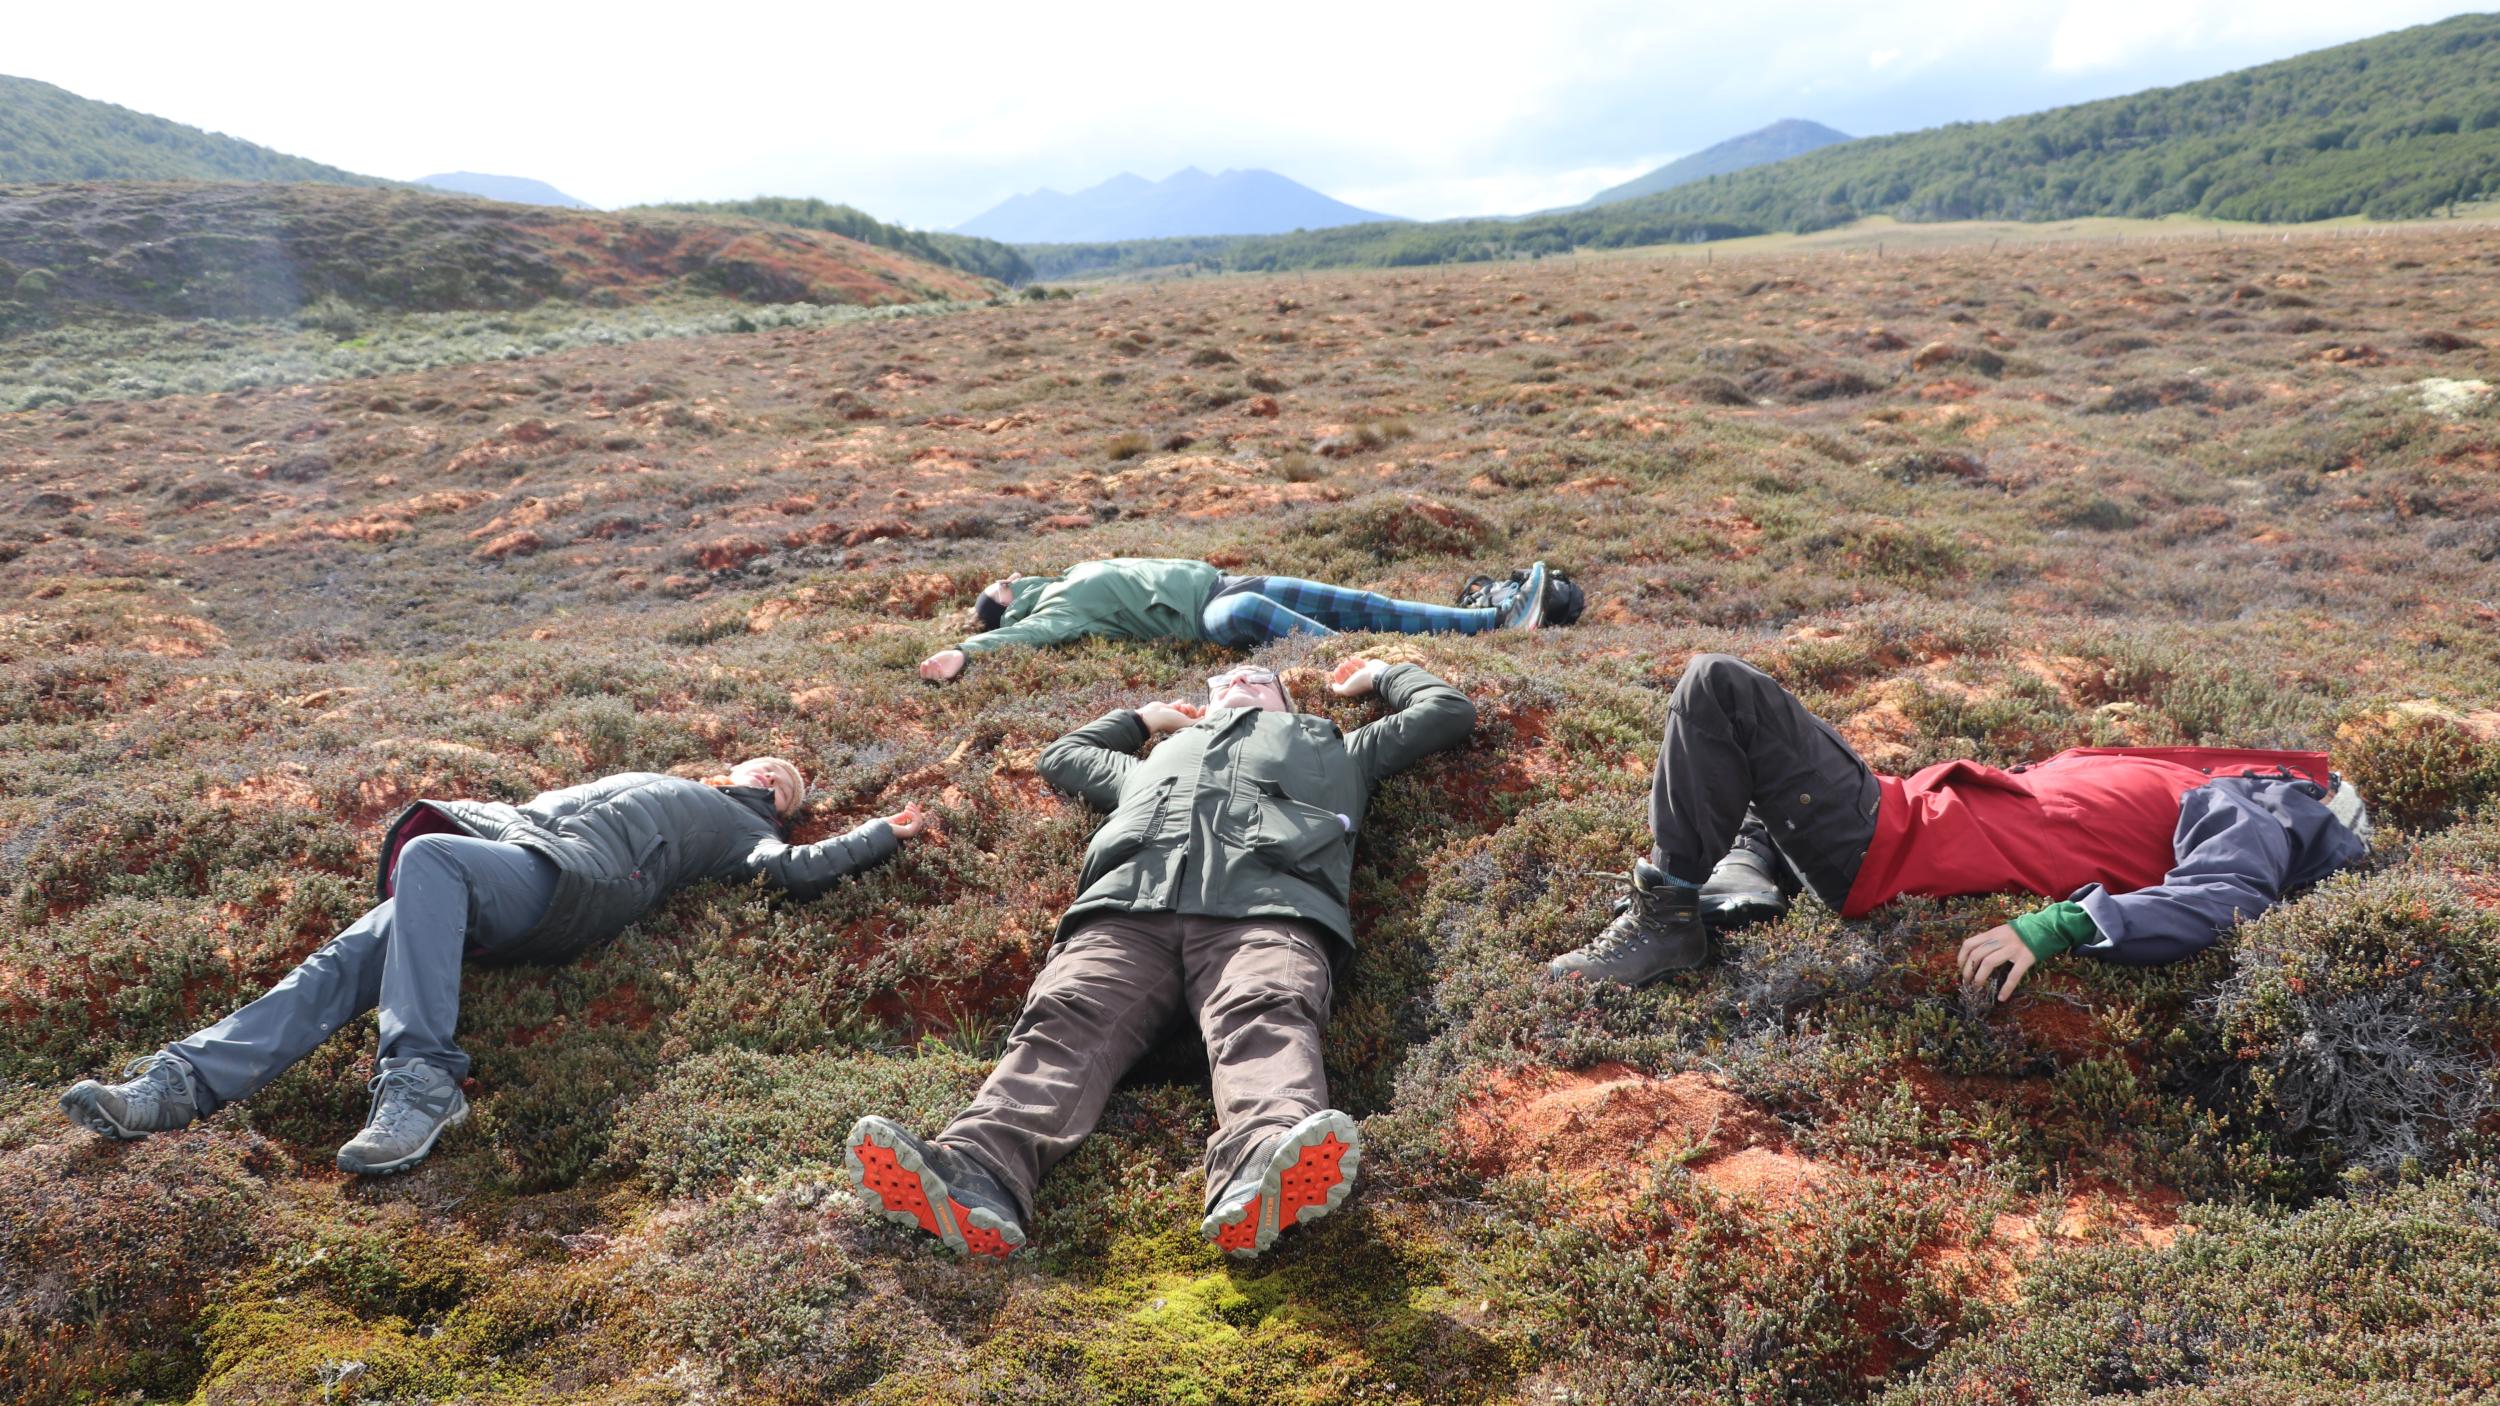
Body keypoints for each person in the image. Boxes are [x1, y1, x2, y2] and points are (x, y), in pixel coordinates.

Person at [848, 656, 1476, 1259]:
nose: (1243, 679)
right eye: (1229, 677)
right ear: (1204, 703)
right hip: (1127, 911)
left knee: (1264, 1012)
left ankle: (1264, 1162)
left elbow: (1446, 711)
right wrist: (1145, 720)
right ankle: (976, 1169)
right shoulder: (1151, 761)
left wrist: (1379, 677)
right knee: (1064, 1021)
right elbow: (1063, 757)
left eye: (1262, 678)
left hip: (1267, 910)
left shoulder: (1339, 750)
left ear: (1288, 702)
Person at [61, 760, 926, 1175]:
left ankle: (424, 1082)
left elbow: (794, 872)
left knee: (429, 860)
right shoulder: (660, 777)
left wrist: (882, 832)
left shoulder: (740, 827)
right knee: (348, 955)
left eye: (791, 785)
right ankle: (178, 1085)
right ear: (728, 764)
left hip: (575, 887)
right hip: (511, 859)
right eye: (767, 765)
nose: (779, 775)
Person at [1548, 653, 2372, 994]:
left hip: (1886, 843)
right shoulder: (2195, 786)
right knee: (1768, 744)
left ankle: (1667, 919)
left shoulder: (2255, 805)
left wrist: (2055, 926)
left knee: (1716, 686)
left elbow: (2222, 896)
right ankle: (1752, 863)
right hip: (1896, 816)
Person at [916, 557, 1554, 683]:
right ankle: (1369, 667)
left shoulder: (1065, 574)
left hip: (1228, 579)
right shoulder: (1053, 607)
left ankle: (1499, 619)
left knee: (1371, 604)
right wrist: (965, 650)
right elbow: (1020, 636)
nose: (1004, 579)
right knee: (1245, 616)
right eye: (998, 589)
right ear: (1006, 602)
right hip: (1213, 611)